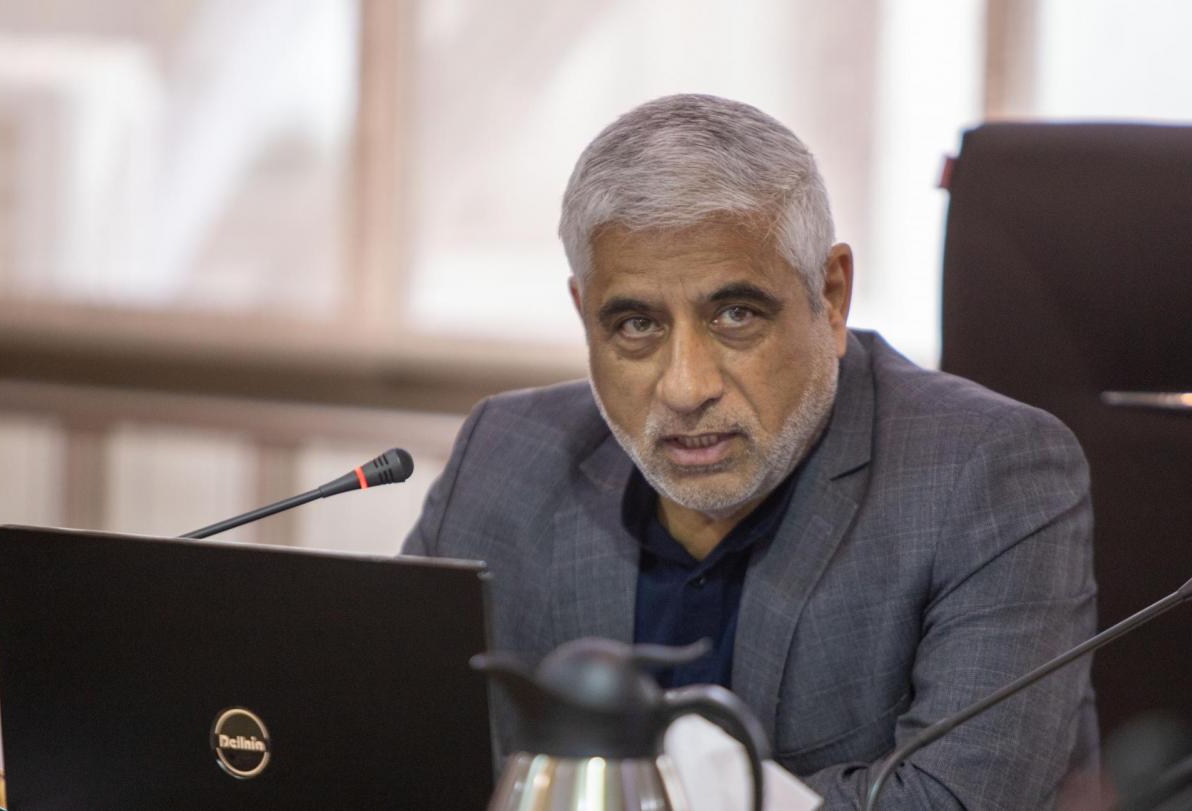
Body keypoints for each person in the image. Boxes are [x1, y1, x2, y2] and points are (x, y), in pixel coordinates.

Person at [403, 94, 1097, 808]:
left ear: (830, 296)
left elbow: (952, 802)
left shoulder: (987, 473)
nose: (686, 388)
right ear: (585, 315)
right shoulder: (503, 456)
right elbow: (394, 750)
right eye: (637, 324)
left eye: (736, 315)